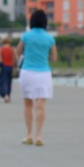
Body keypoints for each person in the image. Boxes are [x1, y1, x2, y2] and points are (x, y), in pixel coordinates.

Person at [15, 8, 57, 146]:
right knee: (41, 105)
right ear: (45, 22)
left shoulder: (26, 36)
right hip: (44, 72)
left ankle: (29, 135)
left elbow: (17, 52)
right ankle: (39, 136)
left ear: (32, 22)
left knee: (28, 104)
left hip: (28, 71)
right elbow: (54, 57)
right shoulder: (50, 38)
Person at [0, 36, 15, 103]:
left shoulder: (0, 49)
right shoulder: (12, 49)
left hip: (4, 66)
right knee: (9, 82)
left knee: (3, 81)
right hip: (11, 67)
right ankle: (8, 95)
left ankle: (5, 95)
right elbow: (15, 58)